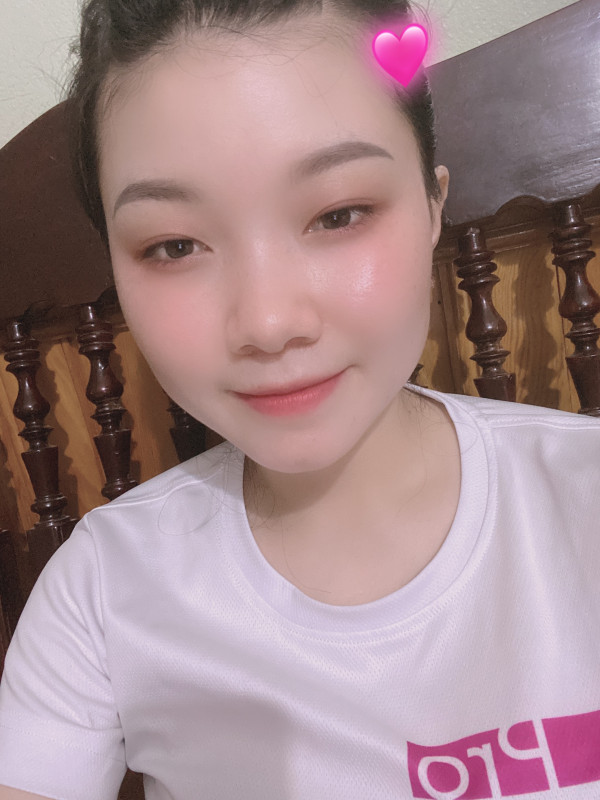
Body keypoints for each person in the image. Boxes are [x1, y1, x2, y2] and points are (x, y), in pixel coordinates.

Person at [0, 0, 599, 798]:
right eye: (174, 246)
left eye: (338, 214)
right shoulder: (101, 597)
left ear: (433, 207)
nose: (268, 322)